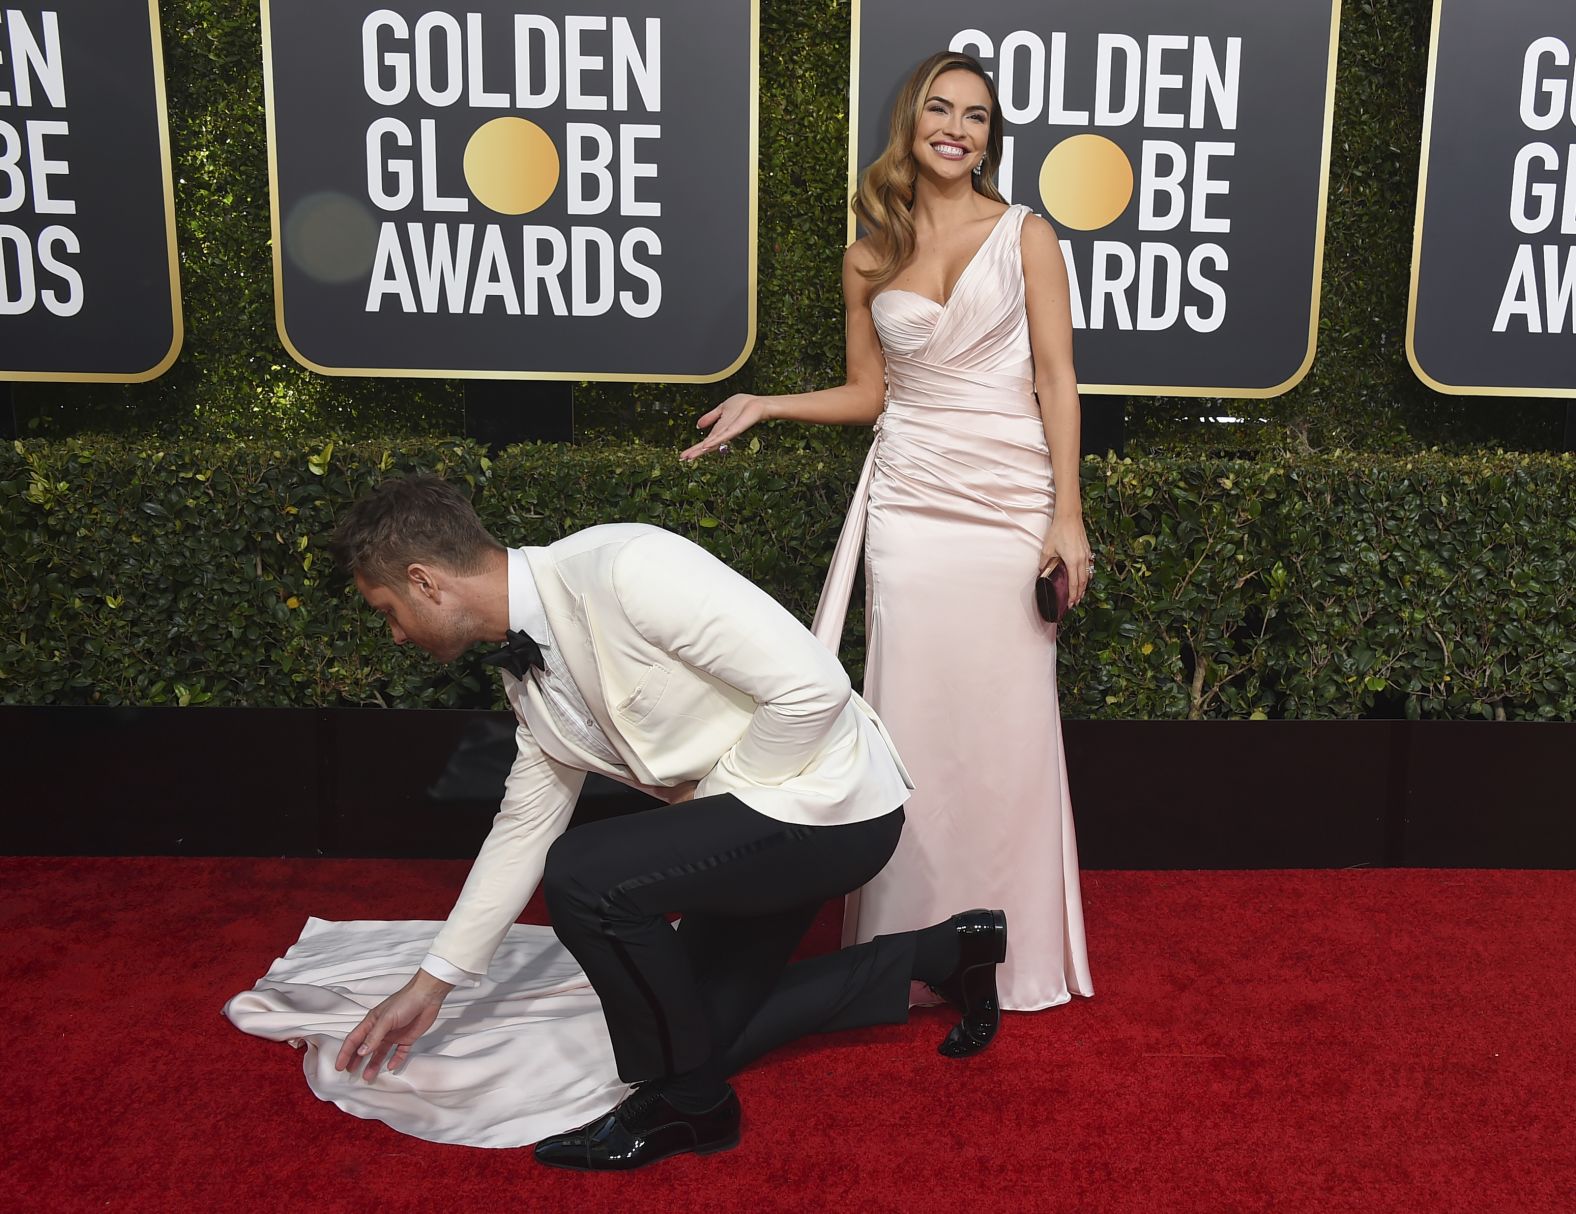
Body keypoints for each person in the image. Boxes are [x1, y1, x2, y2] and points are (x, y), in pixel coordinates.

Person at [321, 473, 1009, 1172]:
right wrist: (432, 982)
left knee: (586, 879)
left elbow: (814, 690)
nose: (396, 634)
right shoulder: (526, 679)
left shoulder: (625, 566)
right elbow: (524, 826)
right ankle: (945, 955)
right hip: (754, 833)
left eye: (387, 610)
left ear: (425, 580)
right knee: (697, 1034)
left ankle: (695, 1108)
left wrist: (717, 808)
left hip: (833, 811)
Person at [681, 51, 1094, 1012]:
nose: (959, 127)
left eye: (979, 116)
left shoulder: (1028, 235)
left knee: (1010, 727)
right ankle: (913, 953)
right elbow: (872, 394)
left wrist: (1065, 516)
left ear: (993, 136)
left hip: (1006, 503)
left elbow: (1058, 380)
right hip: (909, 506)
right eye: (942, 109)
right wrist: (768, 404)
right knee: (910, 724)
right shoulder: (868, 254)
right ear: (911, 121)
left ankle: (1013, 949)